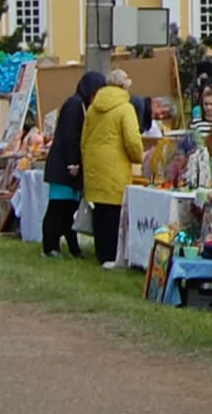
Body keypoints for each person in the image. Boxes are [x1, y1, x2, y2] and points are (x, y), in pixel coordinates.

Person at [79, 73, 142, 269]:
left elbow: (84, 139)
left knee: (99, 211)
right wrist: (138, 157)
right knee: (115, 213)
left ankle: (101, 253)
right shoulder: (126, 108)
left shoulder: (92, 108)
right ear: (125, 86)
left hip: (94, 165)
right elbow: (132, 140)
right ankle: (113, 256)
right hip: (115, 167)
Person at [39, 70, 100, 258]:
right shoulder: (74, 105)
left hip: (68, 166)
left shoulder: (80, 105)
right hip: (64, 166)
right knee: (57, 208)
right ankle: (50, 247)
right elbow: (70, 135)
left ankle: (73, 248)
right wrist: (73, 162)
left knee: (68, 211)